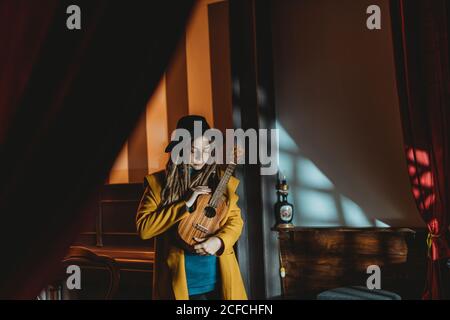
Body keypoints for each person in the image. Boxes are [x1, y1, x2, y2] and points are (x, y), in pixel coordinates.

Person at [136, 115, 247, 300]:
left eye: (205, 149)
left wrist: (218, 242)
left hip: (219, 281)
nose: (200, 156)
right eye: (193, 149)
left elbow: (236, 222)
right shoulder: (159, 184)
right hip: (182, 284)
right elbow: (144, 229)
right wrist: (186, 203)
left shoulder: (220, 180)